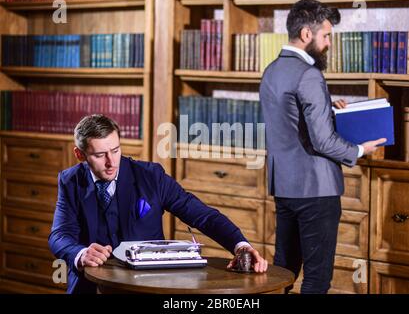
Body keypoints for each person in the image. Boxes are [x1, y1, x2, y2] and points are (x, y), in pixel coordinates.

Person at [48, 114, 268, 294]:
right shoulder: (70, 181)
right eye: (99, 155)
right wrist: (81, 253)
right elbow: (59, 236)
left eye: (115, 151)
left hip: (146, 287)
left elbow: (203, 215)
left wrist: (241, 246)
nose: (111, 162)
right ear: (80, 154)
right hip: (90, 286)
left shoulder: (151, 176)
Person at [259, 0, 386, 294]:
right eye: (326, 35)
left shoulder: (271, 72)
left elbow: (291, 122)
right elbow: (322, 140)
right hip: (317, 192)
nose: (328, 43)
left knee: (283, 272)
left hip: (284, 188)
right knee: (317, 279)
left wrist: (329, 110)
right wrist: (359, 150)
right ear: (306, 34)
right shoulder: (310, 74)